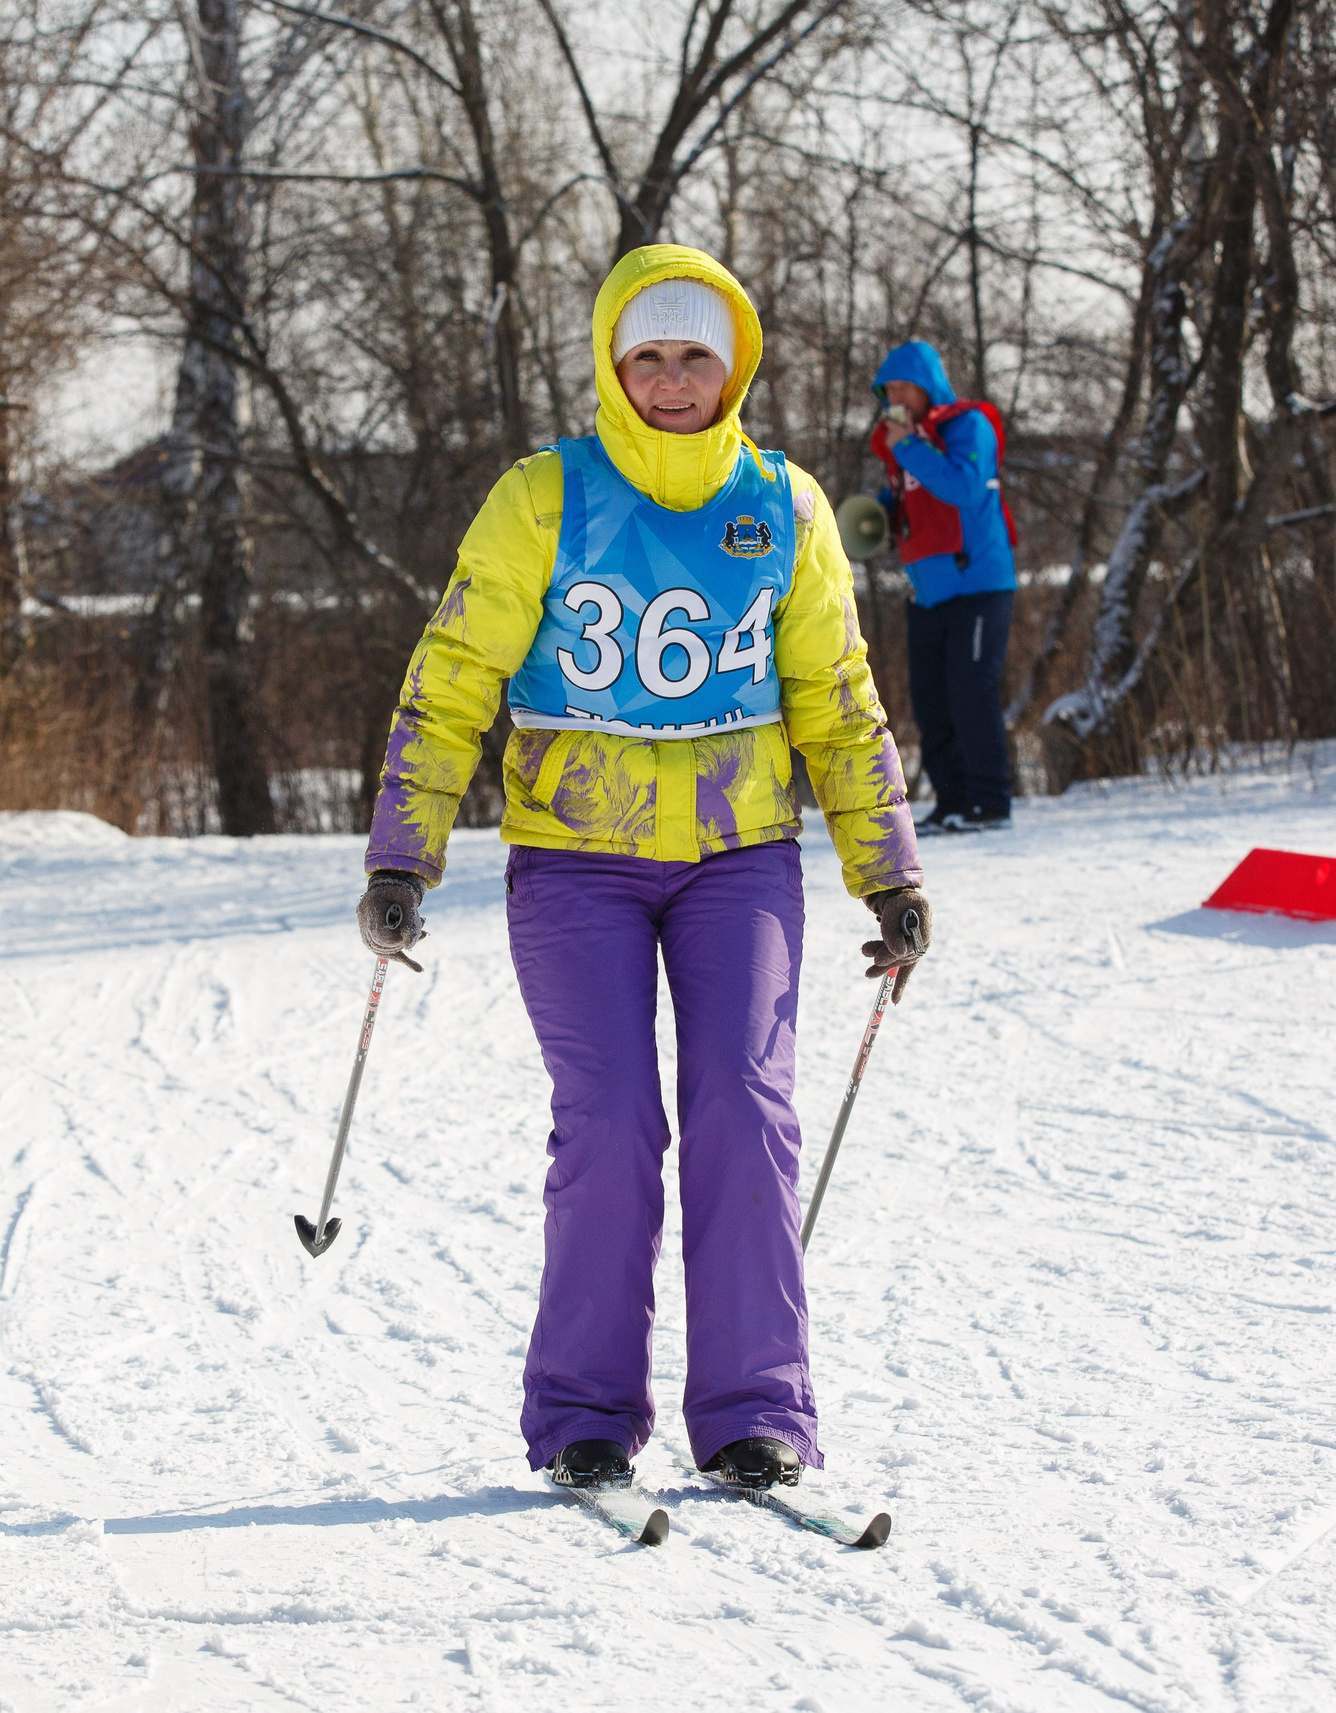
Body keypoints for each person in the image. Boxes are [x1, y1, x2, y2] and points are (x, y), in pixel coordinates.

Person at [359, 245, 931, 1494]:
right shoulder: (544, 496)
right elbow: (454, 677)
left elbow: (834, 701)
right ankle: (582, 1412)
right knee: (612, 1122)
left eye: (696, 357)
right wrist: (406, 854)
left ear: (734, 366)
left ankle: (752, 1411)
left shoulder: (783, 506)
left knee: (743, 1107)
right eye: (649, 356)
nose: (672, 380)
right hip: (577, 864)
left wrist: (886, 874)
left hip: (739, 860)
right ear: (615, 366)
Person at [868, 340, 1019, 834]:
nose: (894, 396)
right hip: (929, 593)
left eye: (902, 386)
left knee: (971, 691)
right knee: (930, 699)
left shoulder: (965, 426)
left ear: (926, 387)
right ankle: (952, 802)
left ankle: (990, 803)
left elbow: (965, 488)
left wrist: (908, 447)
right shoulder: (899, 446)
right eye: (887, 388)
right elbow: (905, 504)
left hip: (979, 584)